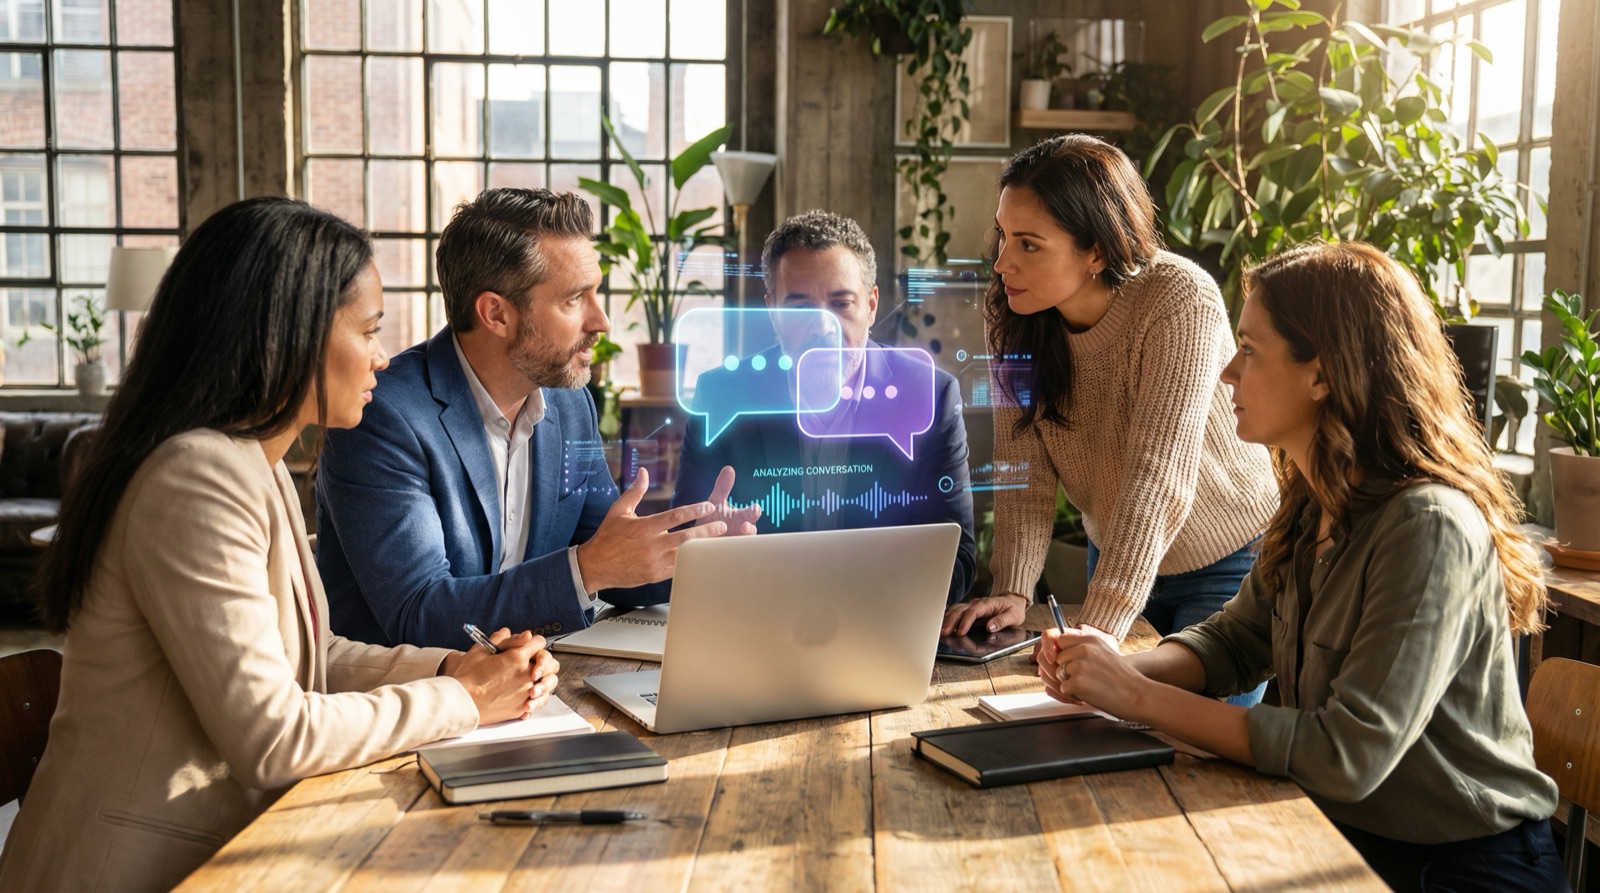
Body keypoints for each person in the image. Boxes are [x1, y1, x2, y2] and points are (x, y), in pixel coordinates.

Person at [0, 198, 560, 893]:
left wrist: (453, 666)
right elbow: (274, 736)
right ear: (290, 335)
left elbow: (313, 657)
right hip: (136, 872)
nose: (383, 356)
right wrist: (463, 698)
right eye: (369, 330)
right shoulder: (194, 477)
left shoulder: (251, 463)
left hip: (226, 851)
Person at [1038, 242, 1565, 892]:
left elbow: (1346, 754)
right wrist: (1107, 671)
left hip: (1462, 869)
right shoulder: (1313, 502)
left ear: (1322, 375)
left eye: (1250, 350)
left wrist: (1137, 697)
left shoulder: (1427, 525)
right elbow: (1237, 641)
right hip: (1340, 834)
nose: (1228, 372)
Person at [317, 189, 740, 649]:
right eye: (575, 299)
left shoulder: (570, 406)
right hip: (411, 688)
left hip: (534, 676)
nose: (601, 321)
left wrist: (695, 552)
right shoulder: (383, 417)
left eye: (595, 293)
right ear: (496, 313)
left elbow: (613, 559)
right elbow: (419, 612)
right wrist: (588, 568)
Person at [942, 134, 1276, 707]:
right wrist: (1015, 589)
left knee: (1190, 740)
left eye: (1029, 244)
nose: (1002, 263)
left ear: (1095, 251)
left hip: (1231, 568)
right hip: (1118, 556)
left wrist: (1100, 626)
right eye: (1003, 235)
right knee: (1095, 731)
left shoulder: (1179, 300)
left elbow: (1158, 479)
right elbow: (1024, 462)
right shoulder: (1013, 310)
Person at [672, 211, 976, 604]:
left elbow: (958, 561)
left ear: (871, 305)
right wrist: (705, 549)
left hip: (878, 619)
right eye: (800, 309)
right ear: (772, 312)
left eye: (841, 303)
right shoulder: (721, 395)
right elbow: (682, 547)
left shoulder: (931, 396)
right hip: (760, 613)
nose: (822, 327)